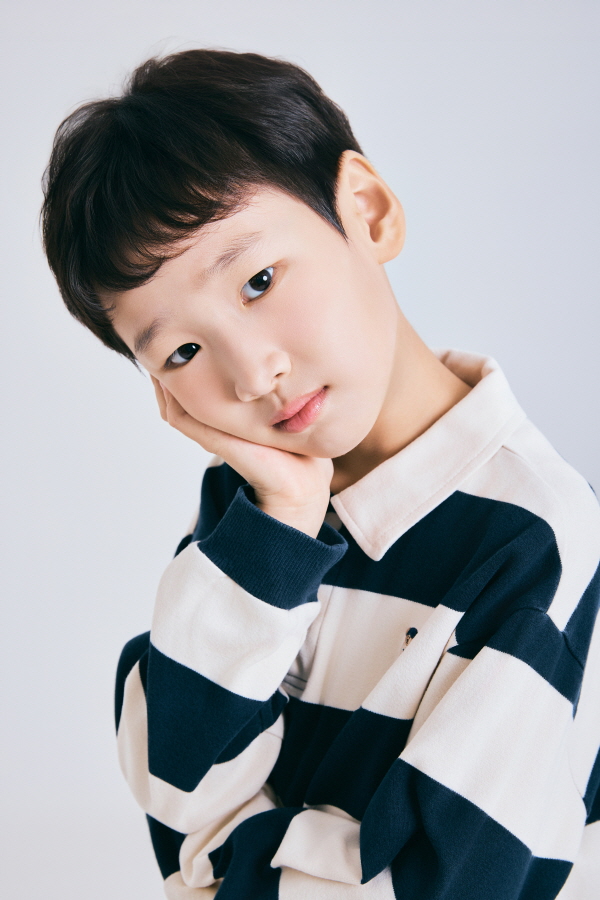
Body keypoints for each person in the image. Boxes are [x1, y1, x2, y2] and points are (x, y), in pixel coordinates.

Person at [41, 49, 600, 899]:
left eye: (259, 281)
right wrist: (276, 529)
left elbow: (429, 882)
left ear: (367, 212)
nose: (251, 374)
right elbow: (173, 795)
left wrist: (221, 862)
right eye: (182, 352)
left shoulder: (540, 544)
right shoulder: (262, 510)